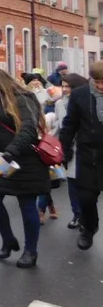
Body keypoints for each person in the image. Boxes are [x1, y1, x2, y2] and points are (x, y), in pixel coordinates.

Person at [0, 68, 48, 268]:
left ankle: (30, 251)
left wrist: (11, 150)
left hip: (23, 160)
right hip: (0, 160)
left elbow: (29, 129)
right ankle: (8, 239)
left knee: (27, 204)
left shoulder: (22, 98)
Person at [59, 64, 103, 250]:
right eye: (98, 82)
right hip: (88, 154)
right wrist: (64, 148)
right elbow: (70, 124)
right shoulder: (80, 95)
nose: (101, 87)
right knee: (85, 198)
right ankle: (89, 227)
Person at [55, 73, 88, 230]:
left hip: (85, 148)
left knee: (86, 186)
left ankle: (87, 216)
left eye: (68, 86)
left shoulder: (87, 101)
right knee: (72, 184)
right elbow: (58, 126)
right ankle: (77, 215)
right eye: (63, 86)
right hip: (68, 148)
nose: (65, 89)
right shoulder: (59, 104)